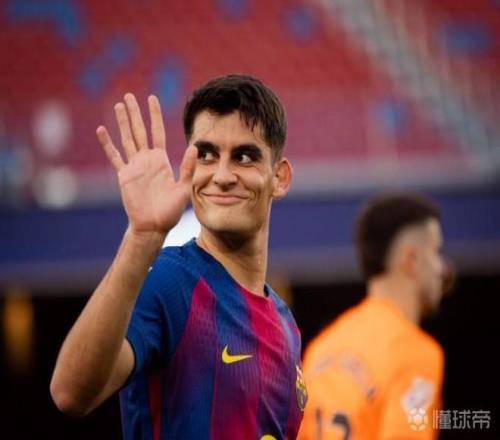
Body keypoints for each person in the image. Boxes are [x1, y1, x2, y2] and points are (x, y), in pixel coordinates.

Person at [50, 74, 306, 439]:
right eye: (206, 155)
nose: (222, 175)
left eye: (244, 157)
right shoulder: (171, 283)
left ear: (279, 177)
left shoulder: (286, 324)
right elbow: (71, 394)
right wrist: (141, 238)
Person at [298, 192, 453, 440]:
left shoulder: (321, 347)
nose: (441, 268)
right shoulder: (414, 351)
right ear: (411, 259)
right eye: (436, 251)